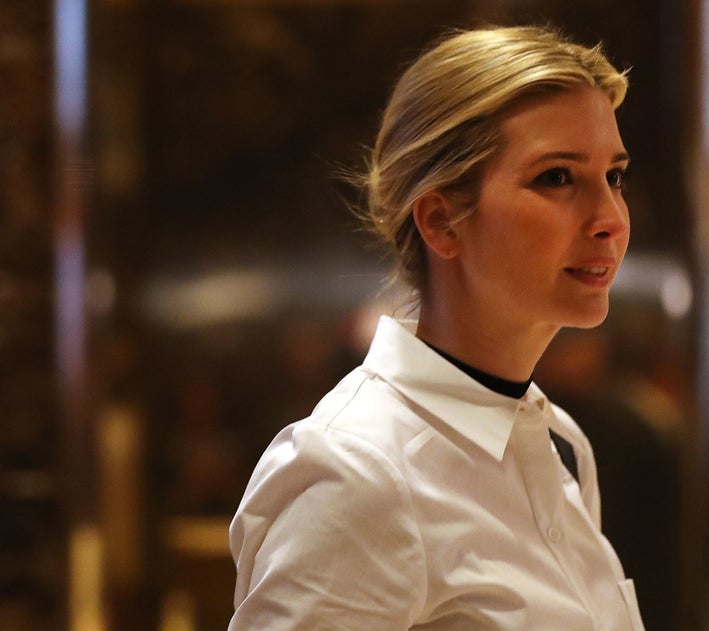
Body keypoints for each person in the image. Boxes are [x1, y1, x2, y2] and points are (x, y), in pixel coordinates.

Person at [229, 25, 645, 630]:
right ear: (442, 221)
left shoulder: (557, 441)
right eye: (557, 177)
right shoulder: (358, 469)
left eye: (614, 177)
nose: (610, 217)